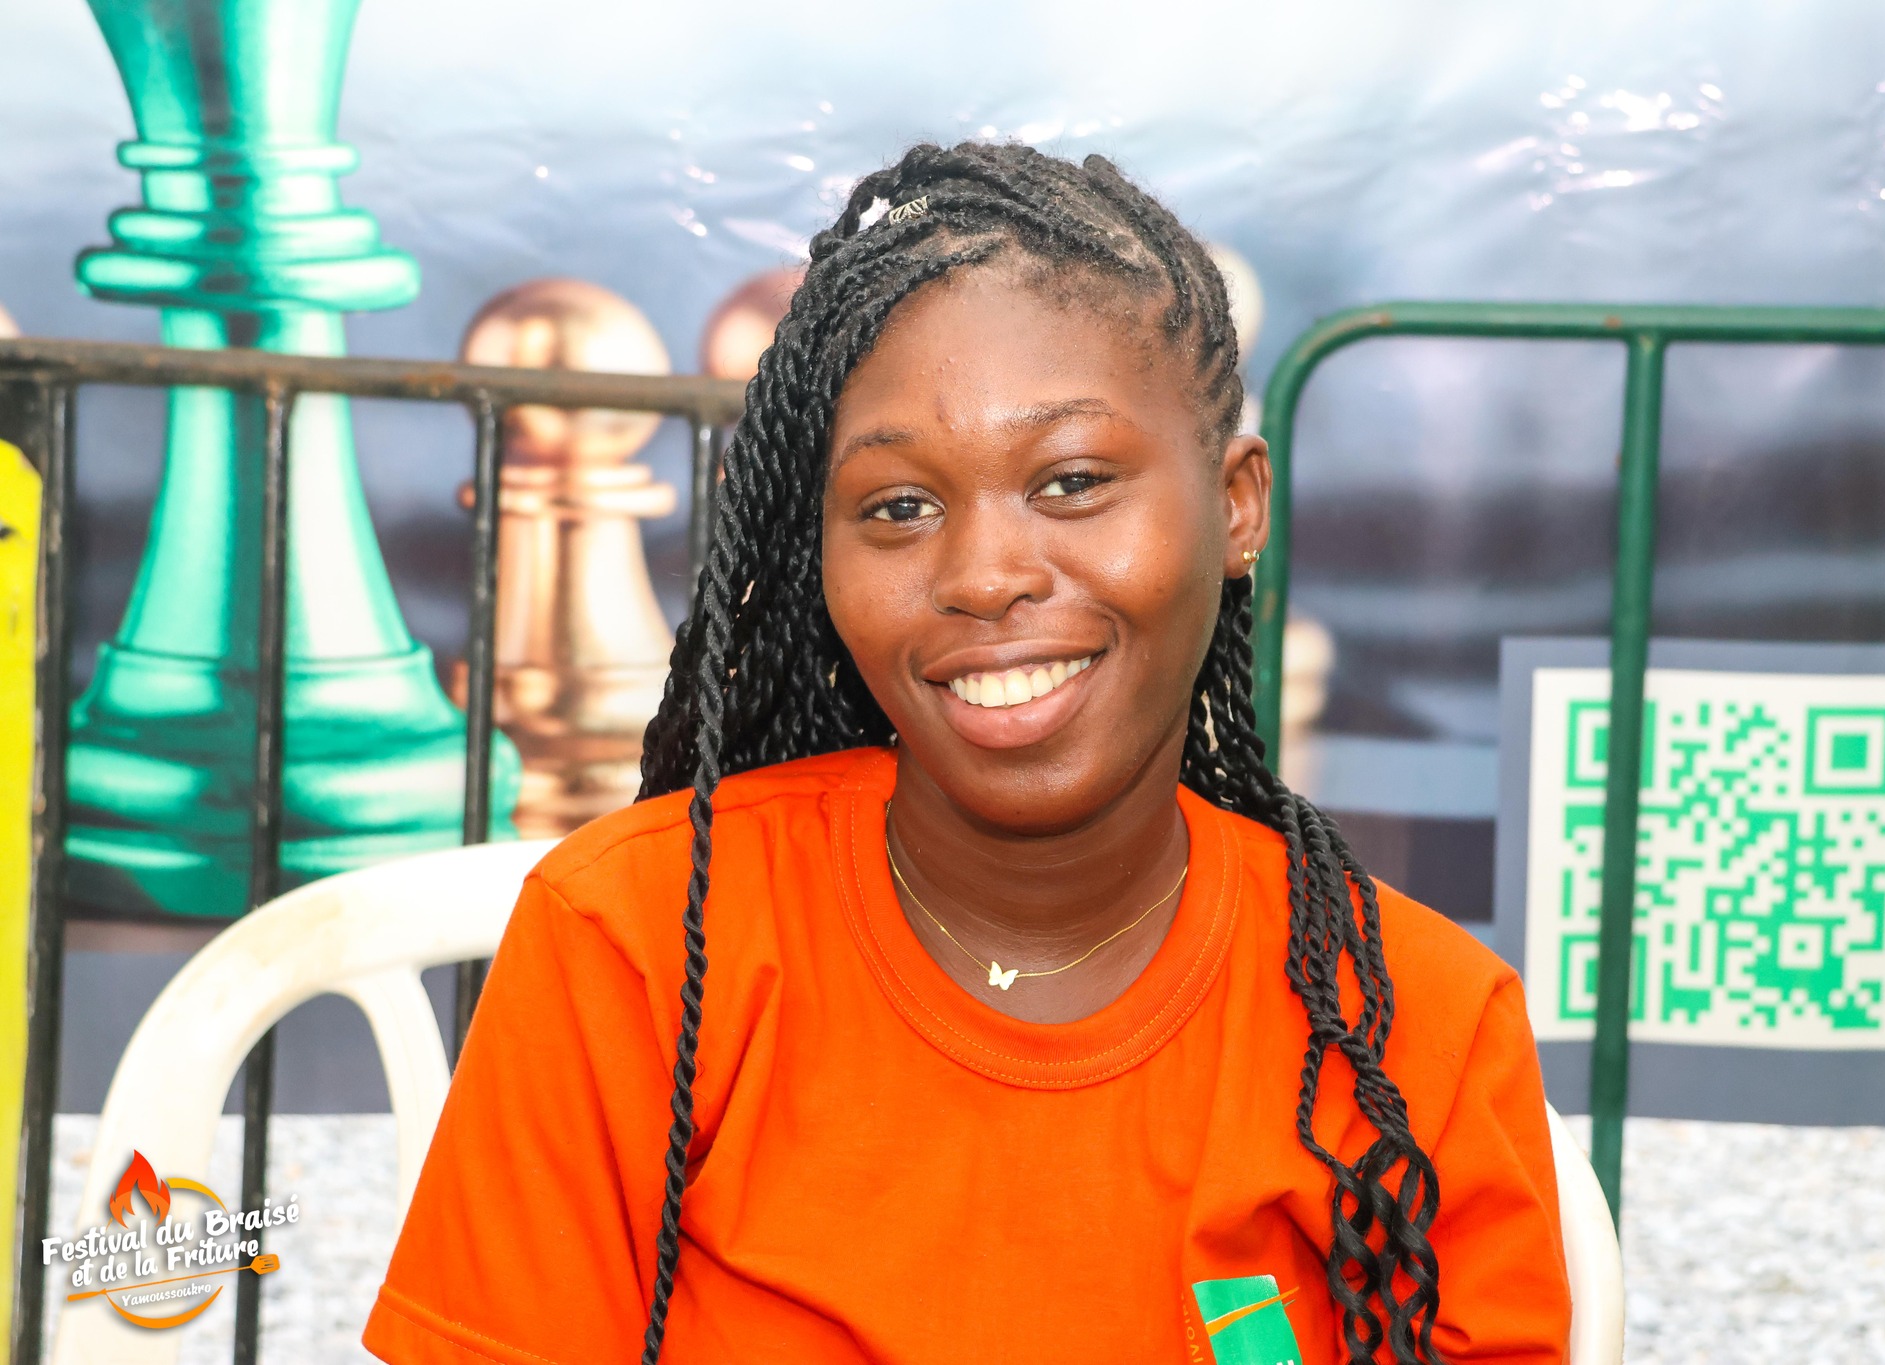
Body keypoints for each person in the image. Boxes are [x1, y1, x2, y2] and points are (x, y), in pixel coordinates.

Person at [363, 142, 1568, 1365]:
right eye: (899, 507)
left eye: (1072, 481)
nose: (984, 576)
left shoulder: (1413, 1025)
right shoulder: (636, 940)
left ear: (1235, 506)